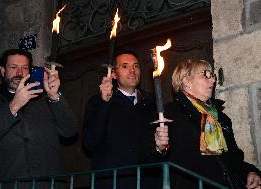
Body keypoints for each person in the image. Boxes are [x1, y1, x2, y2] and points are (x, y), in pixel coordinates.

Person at [155, 59, 261, 189]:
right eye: (205, 74)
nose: (212, 80)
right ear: (187, 81)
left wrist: (249, 172)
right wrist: (158, 148)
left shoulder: (221, 118)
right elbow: (151, 160)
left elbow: (232, 160)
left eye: (213, 75)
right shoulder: (170, 115)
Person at [0, 49, 77, 183]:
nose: (19, 73)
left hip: (48, 185)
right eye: (13, 67)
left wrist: (54, 96)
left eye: (24, 67)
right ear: (2, 71)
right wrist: (14, 106)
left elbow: (70, 130)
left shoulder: (46, 101)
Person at [82, 49, 166, 189]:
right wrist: (104, 103)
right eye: (125, 66)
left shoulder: (152, 103)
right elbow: (90, 143)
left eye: (136, 66)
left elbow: (158, 148)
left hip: (147, 182)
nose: (132, 70)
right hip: (113, 182)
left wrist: (161, 147)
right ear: (113, 74)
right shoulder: (98, 102)